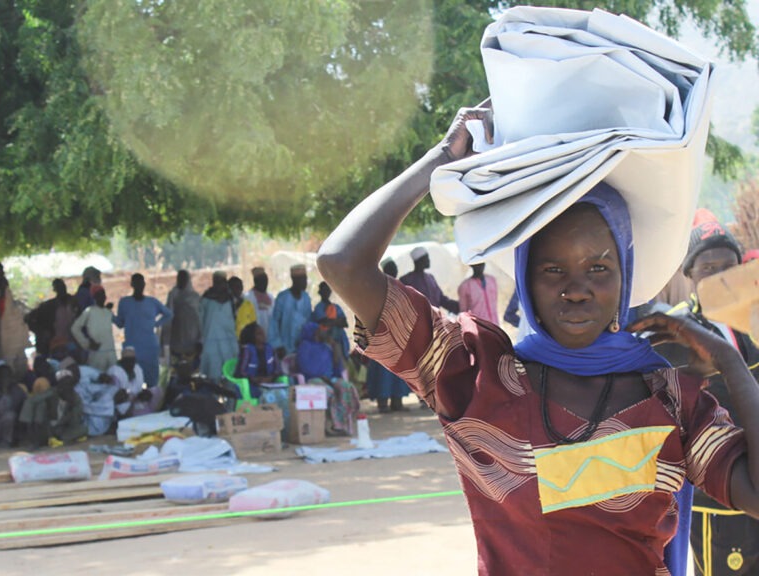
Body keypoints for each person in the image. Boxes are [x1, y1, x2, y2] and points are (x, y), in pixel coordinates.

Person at [317, 104, 759, 574]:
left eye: (598, 268)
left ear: (624, 275)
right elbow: (343, 263)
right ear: (526, 276)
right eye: (553, 269)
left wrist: (730, 363)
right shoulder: (476, 376)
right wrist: (440, 160)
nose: (576, 289)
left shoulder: (670, 399)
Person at [661, 214, 759, 576]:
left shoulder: (753, 319)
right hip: (716, 496)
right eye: (708, 268)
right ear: (690, 275)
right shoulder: (675, 331)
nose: (719, 276)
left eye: (728, 267)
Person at [296, 321, 360, 436]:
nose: (322, 332)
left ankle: (341, 425)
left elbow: (337, 366)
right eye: (319, 330)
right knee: (328, 391)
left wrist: (335, 347)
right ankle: (329, 426)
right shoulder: (304, 347)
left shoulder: (326, 346)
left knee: (346, 387)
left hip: (329, 379)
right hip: (313, 380)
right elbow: (305, 368)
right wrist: (324, 378)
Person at [364, 258, 411, 413]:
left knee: (399, 370)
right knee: (383, 371)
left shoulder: (401, 288)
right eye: (391, 268)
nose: (395, 270)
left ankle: (397, 402)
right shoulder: (375, 289)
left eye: (395, 267)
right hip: (381, 334)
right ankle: (382, 403)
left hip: (399, 335)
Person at [113, 273, 172, 389]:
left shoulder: (152, 302)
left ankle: (152, 405)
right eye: (136, 283)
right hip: (132, 348)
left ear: (144, 284)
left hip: (149, 347)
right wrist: (109, 315)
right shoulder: (125, 302)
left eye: (141, 283)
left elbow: (168, 314)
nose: (139, 285)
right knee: (131, 382)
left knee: (152, 383)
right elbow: (120, 323)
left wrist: (156, 324)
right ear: (132, 284)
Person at [199, 271, 238, 382]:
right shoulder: (206, 299)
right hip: (211, 341)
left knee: (230, 375)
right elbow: (200, 320)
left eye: (223, 282)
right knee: (212, 377)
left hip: (229, 342)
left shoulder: (231, 299)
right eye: (218, 282)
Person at [269, 264, 312, 359]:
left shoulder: (306, 298)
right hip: (284, 347)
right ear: (294, 280)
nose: (305, 282)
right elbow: (274, 322)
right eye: (302, 279)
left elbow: (309, 322)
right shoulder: (282, 297)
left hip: (302, 347)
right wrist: (278, 344)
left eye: (305, 279)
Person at [399, 246, 459, 314]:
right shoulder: (406, 280)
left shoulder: (430, 278)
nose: (429, 260)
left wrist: (459, 306)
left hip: (435, 320)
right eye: (426, 258)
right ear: (420, 260)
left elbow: (441, 299)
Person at [71, 287, 116, 371]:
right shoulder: (89, 311)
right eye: (98, 295)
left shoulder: (108, 312)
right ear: (94, 297)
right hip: (97, 353)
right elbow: (75, 328)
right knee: (97, 378)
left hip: (111, 352)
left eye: (103, 294)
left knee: (114, 379)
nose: (102, 297)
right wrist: (86, 343)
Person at [161, 270, 202, 363]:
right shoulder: (173, 296)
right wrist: (165, 340)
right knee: (177, 368)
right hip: (177, 340)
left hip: (193, 341)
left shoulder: (195, 297)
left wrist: (201, 339)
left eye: (184, 279)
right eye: (179, 279)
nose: (181, 281)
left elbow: (200, 320)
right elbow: (168, 317)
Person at [108, 347, 160, 418]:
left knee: (156, 390)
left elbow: (139, 387)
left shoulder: (137, 368)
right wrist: (131, 398)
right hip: (123, 406)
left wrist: (143, 393)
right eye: (127, 360)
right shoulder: (115, 372)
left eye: (132, 360)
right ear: (122, 360)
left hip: (137, 400)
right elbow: (115, 398)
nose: (130, 363)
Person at [235, 322, 281, 399]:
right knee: (266, 396)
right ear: (252, 337)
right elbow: (240, 372)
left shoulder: (270, 349)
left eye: (263, 332)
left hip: (268, 383)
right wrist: (255, 380)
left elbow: (278, 369)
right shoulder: (247, 351)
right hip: (250, 385)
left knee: (283, 394)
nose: (263, 335)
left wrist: (271, 378)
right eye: (259, 333)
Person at [0, 361, 26, 447]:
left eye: (7, 376)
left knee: (11, 416)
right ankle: (4, 442)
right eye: (2, 377)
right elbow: (0, 410)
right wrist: (5, 392)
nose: (5, 379)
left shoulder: (18, 390)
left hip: (14, 430)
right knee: (9, 416)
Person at [313, 281, 350, 360]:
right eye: (324, 290)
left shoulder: (336, 307)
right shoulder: (318, 308)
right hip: (326, 341)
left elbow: (345, 323)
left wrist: (331, 321)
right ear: (320, 292)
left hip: (341, 341)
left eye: (327, 290)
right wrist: (337, 321)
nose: (326, 292)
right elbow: (324, 323)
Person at [245, 266, 274, 335]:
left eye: (265, 281)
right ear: (256, 281)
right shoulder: (248, 297)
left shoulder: (270, 297)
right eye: (262, 281)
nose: (264, 283)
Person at [229, 275, 257, 343]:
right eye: (235, 286)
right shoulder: (226, 305)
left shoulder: (248, 304)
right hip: (231, 340)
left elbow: (253, 323)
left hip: (246, 341)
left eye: (240, 286)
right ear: (229, 288)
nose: (238, 289)